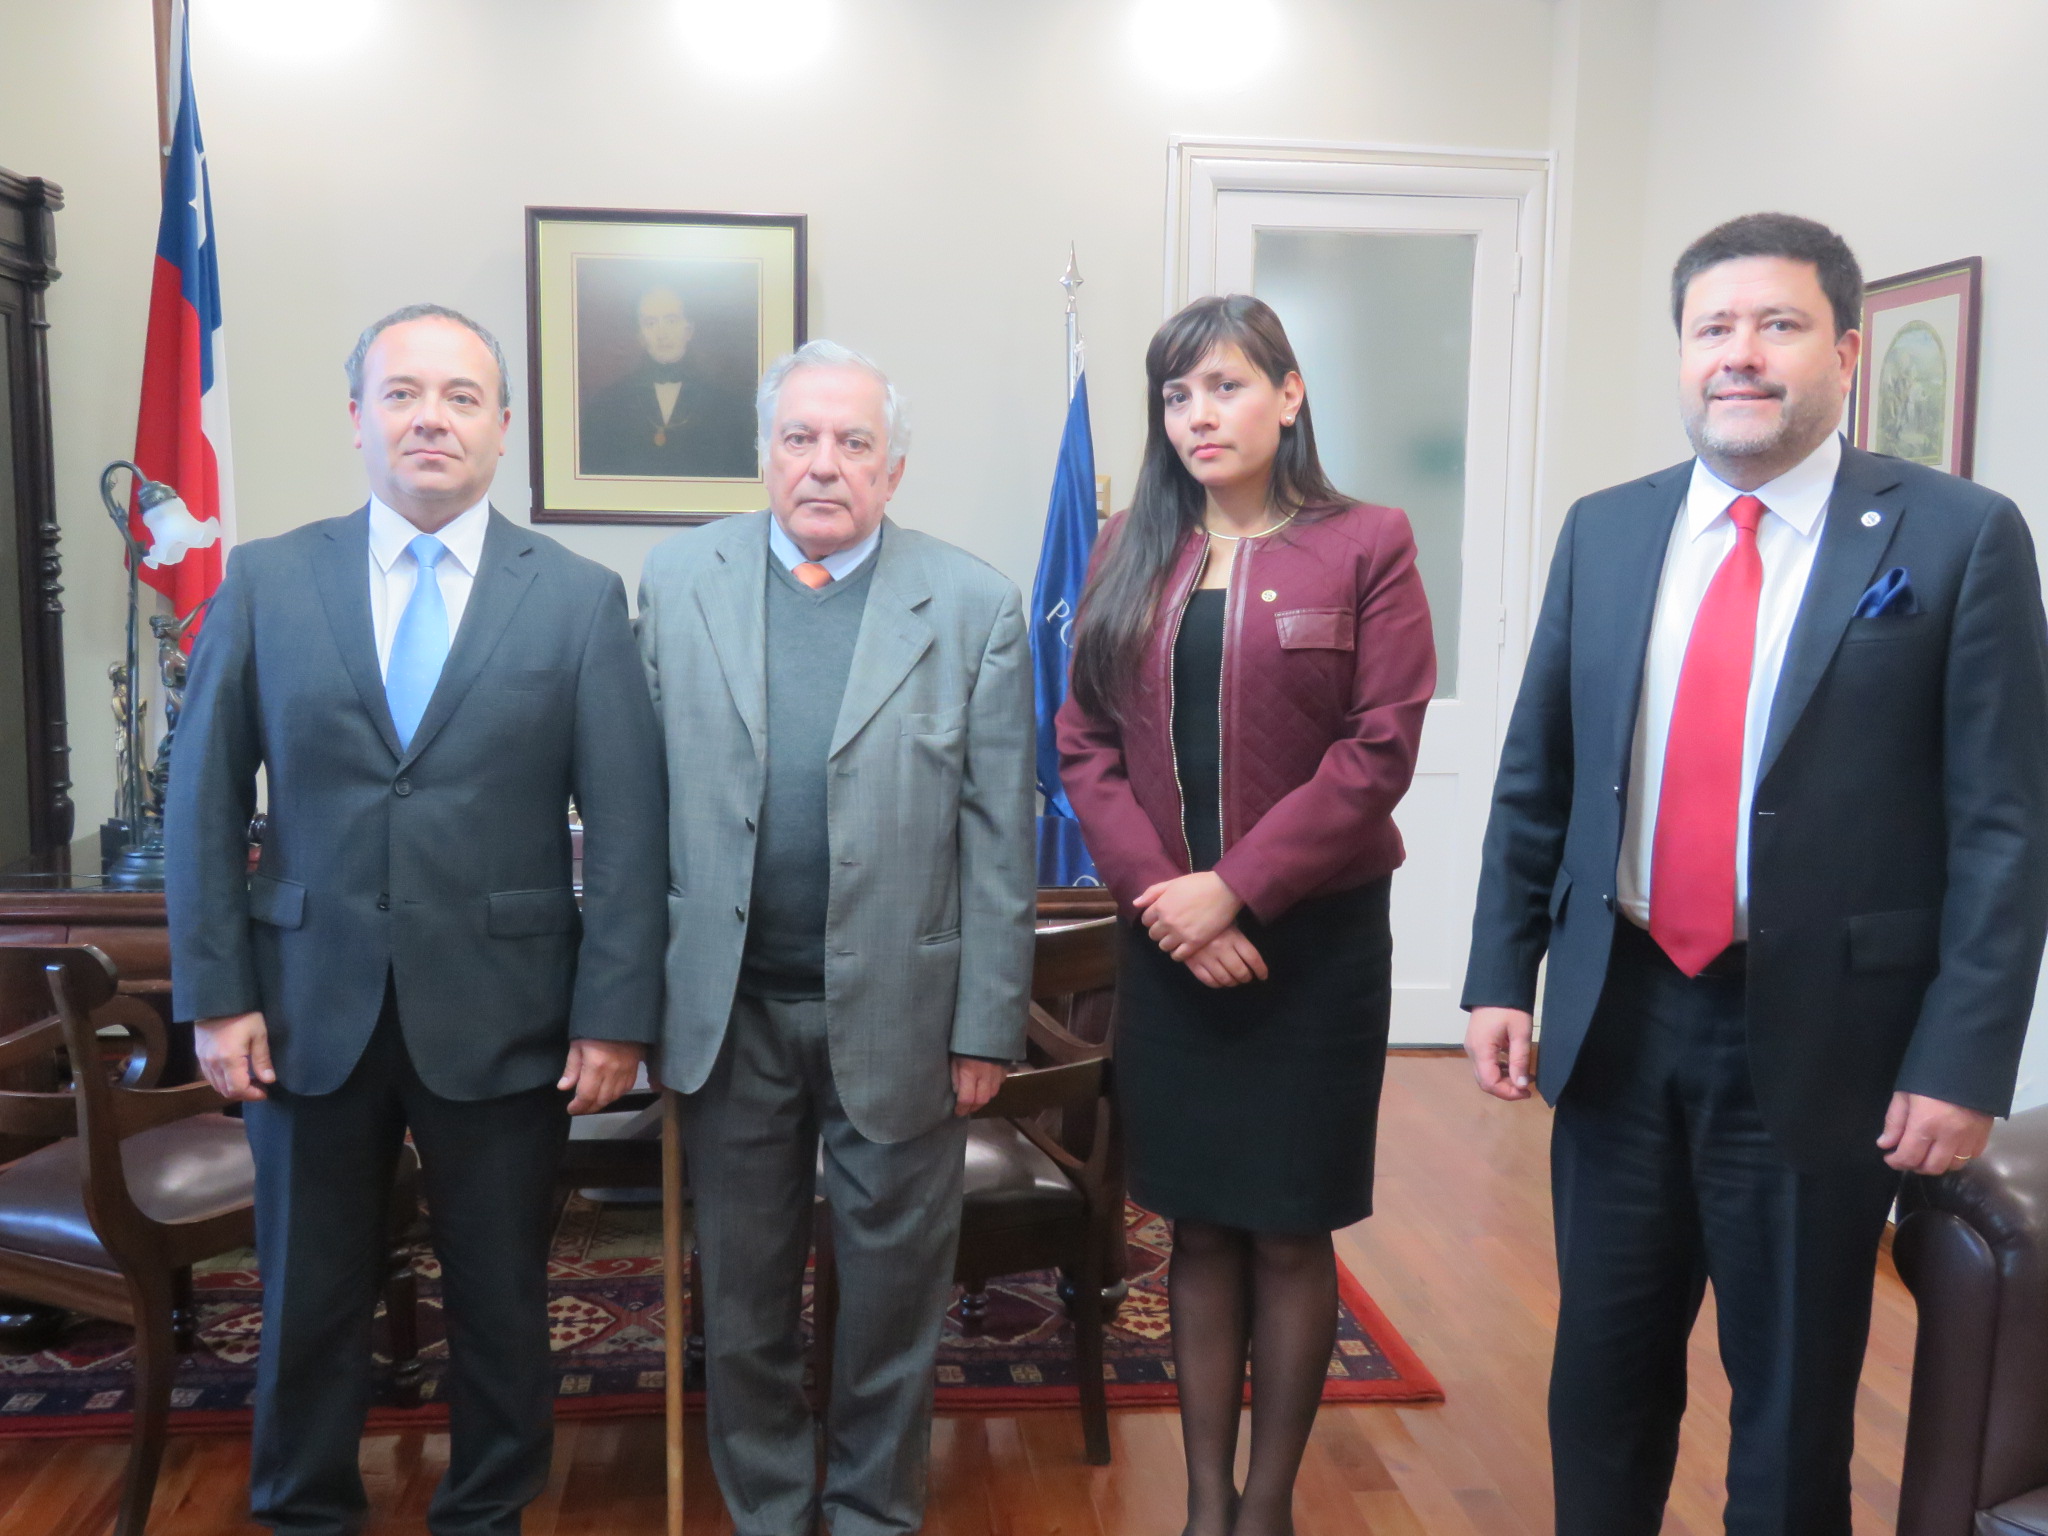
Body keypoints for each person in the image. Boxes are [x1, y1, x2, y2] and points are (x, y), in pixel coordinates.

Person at [1462, 213, 2048, 1535]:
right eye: (1712, 329)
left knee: (1789, 1411)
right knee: (1598, 1384)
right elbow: (1536, 775)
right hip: (1616, 1021)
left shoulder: (1957, 538)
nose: (1741, 356)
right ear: (1681, 355)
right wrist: (1504, 970)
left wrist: (1962, 1060)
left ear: (1842, 348)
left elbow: (2006, 826)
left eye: (1776, 325)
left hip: (1825, 1040)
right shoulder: (1608, 532)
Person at [167, 303, 666, 1536]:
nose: (428, 418)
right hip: (301, 1008)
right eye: (400, 394)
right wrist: (217, 994)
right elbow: (202, 801)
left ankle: (486, 1513)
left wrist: (614, 1015)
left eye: (458, 396)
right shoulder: (270, 580)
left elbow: (629, 826)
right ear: (357, 421)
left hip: (508, 1015)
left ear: (504, 429)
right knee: (308, 1299)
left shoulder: (582, 600)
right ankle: (303, 1513)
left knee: (500, 1300)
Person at [637, 339, 1035, 1535]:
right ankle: (767, 1512)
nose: (823, 465)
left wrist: (986, 1028)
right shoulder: (676, 579)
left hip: (904, 1020)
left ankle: (870, 1515)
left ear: (893, 469)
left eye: (853, 443)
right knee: (746, 1303)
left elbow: (1001, 843)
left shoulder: (972, 606)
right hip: (724, 1014)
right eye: (799, 439)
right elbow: (632, 804)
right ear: (763, 453)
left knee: (889, 1305)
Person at [1058, 294, 1435, 1536]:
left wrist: (1237, 888)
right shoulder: (1126, 545)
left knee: (1285, 1228)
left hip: (1312, 949)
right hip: (1166, 941)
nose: (1196, 416)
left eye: (1223, 386)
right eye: (1174, 394)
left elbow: (1376, 752)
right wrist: (1172, 907)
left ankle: (1266, 1508)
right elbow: (1084, 743)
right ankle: (1204, 1505)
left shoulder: (1366, 542)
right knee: (1196, 1227)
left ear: (1288, 393)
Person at [579, 282, 757, 479]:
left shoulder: (728, 407)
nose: (662, 334)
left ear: (688, 330)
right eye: (650, 323)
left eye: (671, 321)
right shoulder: (607, 405)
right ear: (640, 335)